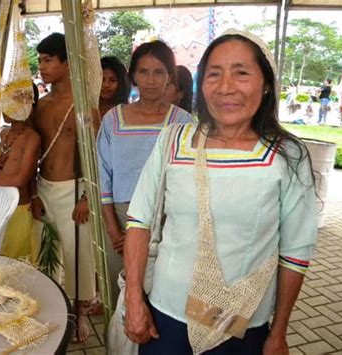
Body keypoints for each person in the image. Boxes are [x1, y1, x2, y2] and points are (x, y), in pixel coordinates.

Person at [123, 29, 318, 355]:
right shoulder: (174, 141)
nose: (226, 87)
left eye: (241, 73)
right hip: (165, 316)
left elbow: (295, 252)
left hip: (240, 321)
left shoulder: (287, 155)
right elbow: (140, 220)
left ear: (266, 83)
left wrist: (279, 332)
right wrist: (134, 299)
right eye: (214, 74)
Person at [97, 40, 194, 307]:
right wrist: (114, 230)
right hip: (119, 216)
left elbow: (189, 181)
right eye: (143, 71)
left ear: (170, 77)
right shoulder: (112, 120)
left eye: (159, 72)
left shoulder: (183, 123)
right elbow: (103, 179)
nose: (150, 80)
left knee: (161, 295)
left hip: (167, 219)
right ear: (133, 76)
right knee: (120, 294)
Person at [32, 32, 97, 343]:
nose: (42, 67)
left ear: (67, 63)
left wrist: (87, 196)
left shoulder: (85, 105)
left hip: (75, 190)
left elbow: (96, 154)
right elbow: (32, 150)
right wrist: (32, 192)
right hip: (44, 187)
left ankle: (80, 311)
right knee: (48, 252)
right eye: (40, 61)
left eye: (48, 60)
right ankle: (52, 309)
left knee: (77, 254)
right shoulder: (40, 105)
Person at [0, 85, 41, 260]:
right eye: (4, 102)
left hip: (18, 208)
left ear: (27, 105)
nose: (5, 107)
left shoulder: (32, 138)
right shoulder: (5, 134)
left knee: (16, 265)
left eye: (11, 102)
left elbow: (20, 179)